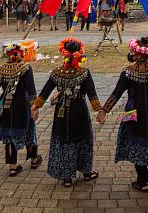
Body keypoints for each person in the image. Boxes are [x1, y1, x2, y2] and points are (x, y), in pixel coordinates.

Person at [99, 37, 148, 193]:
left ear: (138, 55)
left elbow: (117, 93)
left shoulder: (128, 72)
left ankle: (142, 180)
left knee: (137, 145)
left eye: (132, 52)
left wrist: (104, 110)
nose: (130, 55)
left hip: (133, 112)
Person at [33, 37, 101, 187]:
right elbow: (92, 95)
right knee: (83, 140)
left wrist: (35, 107)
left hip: (61, 112)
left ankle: (67, 177)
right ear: (79, 54)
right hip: (80, 112)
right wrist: (100, 111)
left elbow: (44, 93)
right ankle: (87, 172)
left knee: (64, 141)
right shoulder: (84, 73)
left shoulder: (57, 73)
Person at [0, 43, 40, 177]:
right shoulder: (25, 68)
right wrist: (35, 107)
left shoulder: (1, 69)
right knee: (29, 131)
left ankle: (13, 166)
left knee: (9, 134)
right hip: (23, 104)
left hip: (6, 105)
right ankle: (33, 160)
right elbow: (31, 90)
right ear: (20, 54)